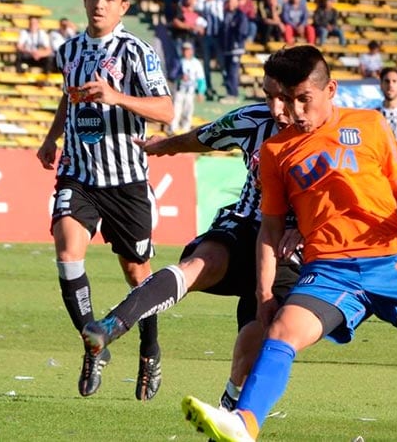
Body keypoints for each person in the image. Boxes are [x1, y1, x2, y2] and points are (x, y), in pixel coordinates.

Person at [179, 45, 397, 442]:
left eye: (303, 100)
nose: (293, 112)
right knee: (281, 332)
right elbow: (270, 228)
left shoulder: (371, 124)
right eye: (286, 100)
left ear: (330, 89)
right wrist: (263, 294)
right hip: (330, 269)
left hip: (394, 262)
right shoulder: (276, 151)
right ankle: (245, 424)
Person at [79, 73, 302, 412]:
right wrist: (164, 146)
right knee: (199, 264)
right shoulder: (252, 119)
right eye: (268, 96)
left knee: (264, 327)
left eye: (282, 97)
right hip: (245, 225)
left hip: (288, 247)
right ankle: (110, 326)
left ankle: (231, 403)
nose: (274, 108)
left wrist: (303, 229)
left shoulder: (332, 135)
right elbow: (205, 136)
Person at [35, 0, 173, 400]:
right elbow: (69, 97)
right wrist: (51, 138)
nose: (100, 4)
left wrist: (115, 97)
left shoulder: (136, 52)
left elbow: (166, 109)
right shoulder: (70, 50)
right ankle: (92, 346)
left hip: (126, 182)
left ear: (123, 7)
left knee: (137, 273)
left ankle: (150, 351)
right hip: (78, 176)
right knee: (66, 251)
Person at [169, 42, 206, 134]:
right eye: (184, 50)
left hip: (190, 91)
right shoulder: (178, 61)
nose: (186, 52)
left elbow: (201, 78)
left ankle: (186, 129)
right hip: (179, 90)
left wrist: (201, 92)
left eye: (188, 50)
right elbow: (172, 75)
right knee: (176, 110)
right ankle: (173, 129)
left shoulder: (196, 63)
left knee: (188, 111)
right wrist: (180, 76)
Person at [219, 0, 249, 104]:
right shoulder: (226, 14)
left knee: (233, 71)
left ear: (237, 3)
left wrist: (237, 42)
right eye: (229, 2)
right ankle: (229, 93)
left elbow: (243, 31)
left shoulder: (240, 15)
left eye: (233, 2)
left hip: (236, 48)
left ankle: (233, 94)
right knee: (227, 71)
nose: (231, 4)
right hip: (226, 48)